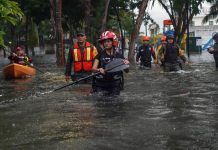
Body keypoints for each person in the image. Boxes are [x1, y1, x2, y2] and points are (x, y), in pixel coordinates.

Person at [92, 31, 129, 96]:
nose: (106, 43)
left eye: (108, 41)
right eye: (104, 42)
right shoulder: (99, 55)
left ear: (113, 42)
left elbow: (127, 71)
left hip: (115, 85)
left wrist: (126, 64)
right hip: (101, 84)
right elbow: (93, 69)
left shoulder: (119, 56)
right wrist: (99, 69)